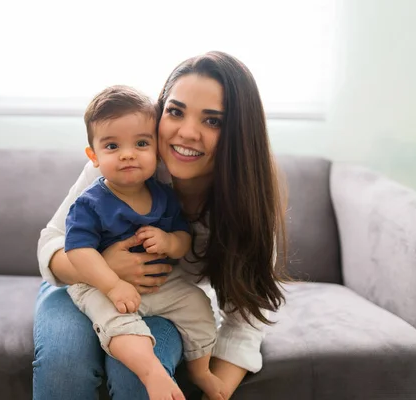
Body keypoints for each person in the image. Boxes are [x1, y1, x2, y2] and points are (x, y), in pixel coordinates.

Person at [33, 51, 287, 400]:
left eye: (212, 121)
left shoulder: (246, 204)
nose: (187, 132)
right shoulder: (121, 163)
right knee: (65, 363)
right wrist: (106, 269)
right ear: (160, 110)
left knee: (135, 375)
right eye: (176, 112)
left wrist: (218, 389)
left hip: (162, 296)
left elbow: (246, 319)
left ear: (239, 135)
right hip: (80, 284)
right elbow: (52, 242)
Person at [63, 85, 224, 400]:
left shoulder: (162, 194)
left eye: (140, 143)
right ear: (93, 156)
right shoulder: (90, 202)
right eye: (112, 146)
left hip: (159, 284)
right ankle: (152, 373)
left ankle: (201, 370)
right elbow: (78, 251)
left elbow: (182, 240)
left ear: (156, 149)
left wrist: (167, 241)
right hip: (98, 285)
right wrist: (111, 285)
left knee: (198, 306)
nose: (127, 154)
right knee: (119, 324)